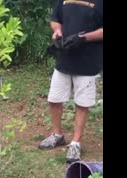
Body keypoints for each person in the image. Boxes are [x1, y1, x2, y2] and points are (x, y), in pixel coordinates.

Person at [39, 0, 103, 164]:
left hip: (88, 62)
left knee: (82, 103)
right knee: (54, 99)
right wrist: (58, 31)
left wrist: (83, 38)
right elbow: (55, 19)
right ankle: (57, 135)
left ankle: (75, 143)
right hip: (64, 59)